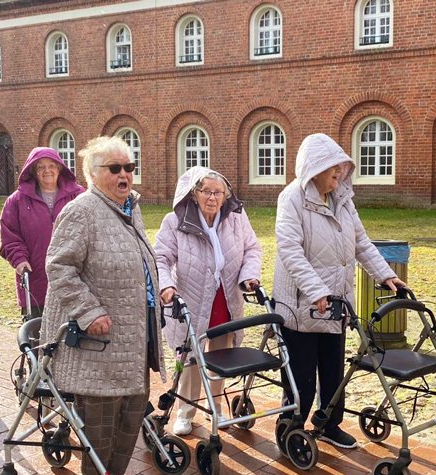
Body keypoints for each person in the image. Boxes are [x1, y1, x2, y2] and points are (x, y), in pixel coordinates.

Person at [41, 136, 163, 475]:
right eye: (115, 168)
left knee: (132, 408)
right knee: (101, 414)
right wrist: (90, 311)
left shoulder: (129, 207)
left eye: (129, 167)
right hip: (99, 338)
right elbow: (59, 267)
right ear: (93, 174)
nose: (125, 174)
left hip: (133, 335)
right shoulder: (82, 210)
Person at [273, 133, 405, 449]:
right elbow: (290, 249)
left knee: (333, 369)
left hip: (336, 303)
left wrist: (386, 275)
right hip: (302, 304)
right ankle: (290, 427)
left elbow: (361, 242)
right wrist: (316, 291)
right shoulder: (291, 198)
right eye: (334, 168)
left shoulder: (343, 200)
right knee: (301, 375)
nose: (339, 173)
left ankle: (330, 424)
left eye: (342, 168)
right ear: (315, 168)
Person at [154, 166, 263, 436]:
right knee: (189, 358)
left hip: (225, 298)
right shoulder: (175, 221)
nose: (212, 197)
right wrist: (166, 285)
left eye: (218, 192)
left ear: (225, 196)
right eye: (206, 191)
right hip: (189, 300)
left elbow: (252, 249)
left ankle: (216, 407)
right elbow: (161, 258)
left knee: (221, 356)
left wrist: (249, 276)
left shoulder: (236, 218)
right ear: (194, 194)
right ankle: (185, 412)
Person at [0, 147, 83, 318]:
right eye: (40, 167)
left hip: (74, 278)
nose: (47, 171)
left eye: (51, 165)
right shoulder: (17, 200)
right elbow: (10, 236)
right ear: (33, 171)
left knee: (73, 334)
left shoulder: (79, 196)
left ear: (60, 168)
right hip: (36, 278)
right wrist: (19, 260)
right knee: (37, 336)